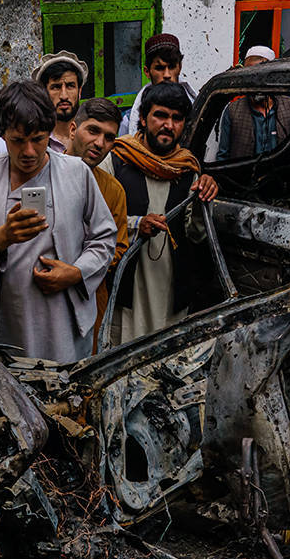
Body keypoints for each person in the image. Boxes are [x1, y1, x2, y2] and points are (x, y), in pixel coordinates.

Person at [0, 80, 115, 362]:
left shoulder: (76, 172)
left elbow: (104, 238)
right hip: (7, 325)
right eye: (17, 140)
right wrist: (3, 236)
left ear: (50, 133)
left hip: (65, 325)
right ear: (2, 134)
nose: (28, 152)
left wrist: (76, 273)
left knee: (68, 397)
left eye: (38, 139)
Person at [101, 81, 218, 341]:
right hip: (128, 289)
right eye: (161, 115)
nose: (169, 125)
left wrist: (203, 199)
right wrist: (136, 225)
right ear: (142, 118)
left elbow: (196, 234)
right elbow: (97, 222)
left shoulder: (188, 168)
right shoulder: (117, 159)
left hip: (171, 288)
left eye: (177, 118)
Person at [67, 97, 128, 348]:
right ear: (73, 129)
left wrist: (78, 270)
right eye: (93, 131)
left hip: (89, 296)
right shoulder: (41, 174)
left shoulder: (113, 190)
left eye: (109, 137)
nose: (100, 143)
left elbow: (118, 247)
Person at [217, 46, 290, 161]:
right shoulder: (232, 110)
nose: (254, 81)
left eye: (259, 74)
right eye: (249, 74)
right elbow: (223, 157)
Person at [121, 35, 197, 138]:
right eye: (159, 68)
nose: (167, 75)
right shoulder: (130, 119)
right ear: (147, 72)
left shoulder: (197, 110)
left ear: (179, 67)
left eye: (171, 67)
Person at [32, 51, 88, 153]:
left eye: (70, 86)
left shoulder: (91, 137)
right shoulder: (35, 140)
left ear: (79, 92)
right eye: (56, 87)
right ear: (44, 93)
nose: (64, 96)